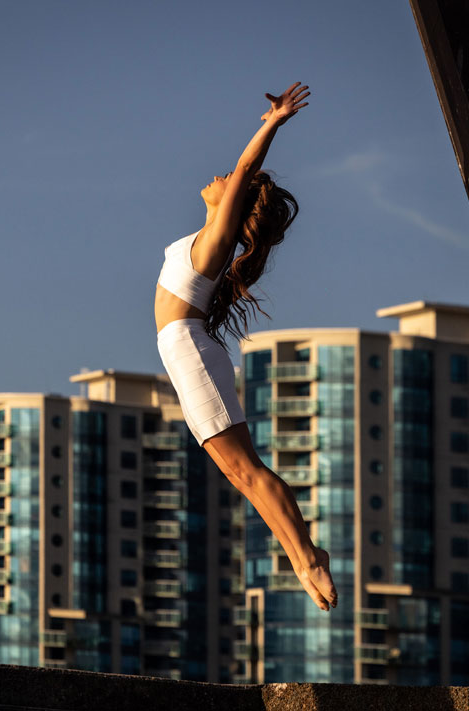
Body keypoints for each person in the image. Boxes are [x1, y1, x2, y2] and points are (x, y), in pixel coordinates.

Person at [154, 83, 338, 612]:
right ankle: (304, 554)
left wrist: (273, 122)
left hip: (189, 350)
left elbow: (243, 164)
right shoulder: (209, 235)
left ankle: (305, 558)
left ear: (237, 197)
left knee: (245, 471)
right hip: (184, 352)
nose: (216, 179)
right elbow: (237, 173)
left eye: (229, 182)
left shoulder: (218, 237)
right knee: (242, 473)